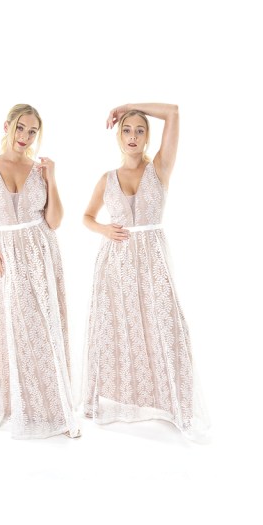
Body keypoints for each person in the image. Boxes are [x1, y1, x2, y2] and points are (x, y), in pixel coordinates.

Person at [82, 103, 209, 441]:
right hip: (116, 264)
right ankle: (122, 401)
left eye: (140, 131)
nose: (133, 136)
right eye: (127, 130)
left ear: (147, 137)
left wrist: (130, 107)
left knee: (165, 326)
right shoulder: (107, 179)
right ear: (118, 136)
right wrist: (104, 229)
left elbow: (173, 112)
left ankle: (178, 405)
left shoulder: (160, 169)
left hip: (153, 261)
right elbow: (87, 217)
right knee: (119, 329)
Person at [0, 104, 80, 439]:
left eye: (32, 132)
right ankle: (24, 406)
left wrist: (51, 178)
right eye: (21, 128)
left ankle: (57, 408)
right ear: (7, 126)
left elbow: (54, 221)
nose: (25, 137)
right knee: (15, 327)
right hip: (6, 252)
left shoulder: (39, 169)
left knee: (47, 327)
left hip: (41, 250)